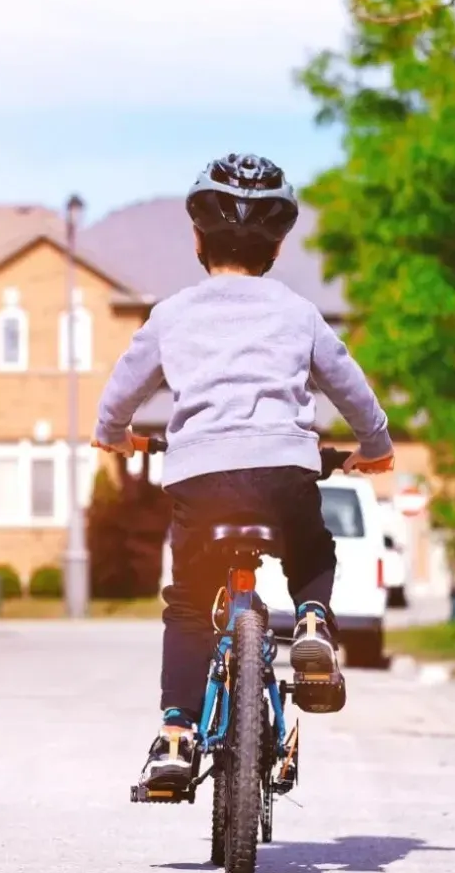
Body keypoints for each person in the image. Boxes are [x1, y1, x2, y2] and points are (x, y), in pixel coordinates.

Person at [94, 152, 395, 795]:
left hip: (199, 478)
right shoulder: (297, 312)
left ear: (198, 238)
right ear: (279, 246)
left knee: (187, 605)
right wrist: (375, 444)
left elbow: (121, 391)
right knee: (311, 543)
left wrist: (113, 436)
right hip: (284, 468)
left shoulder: (173, 313)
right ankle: (312, 619)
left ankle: (175, 735)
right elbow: (350, 385)